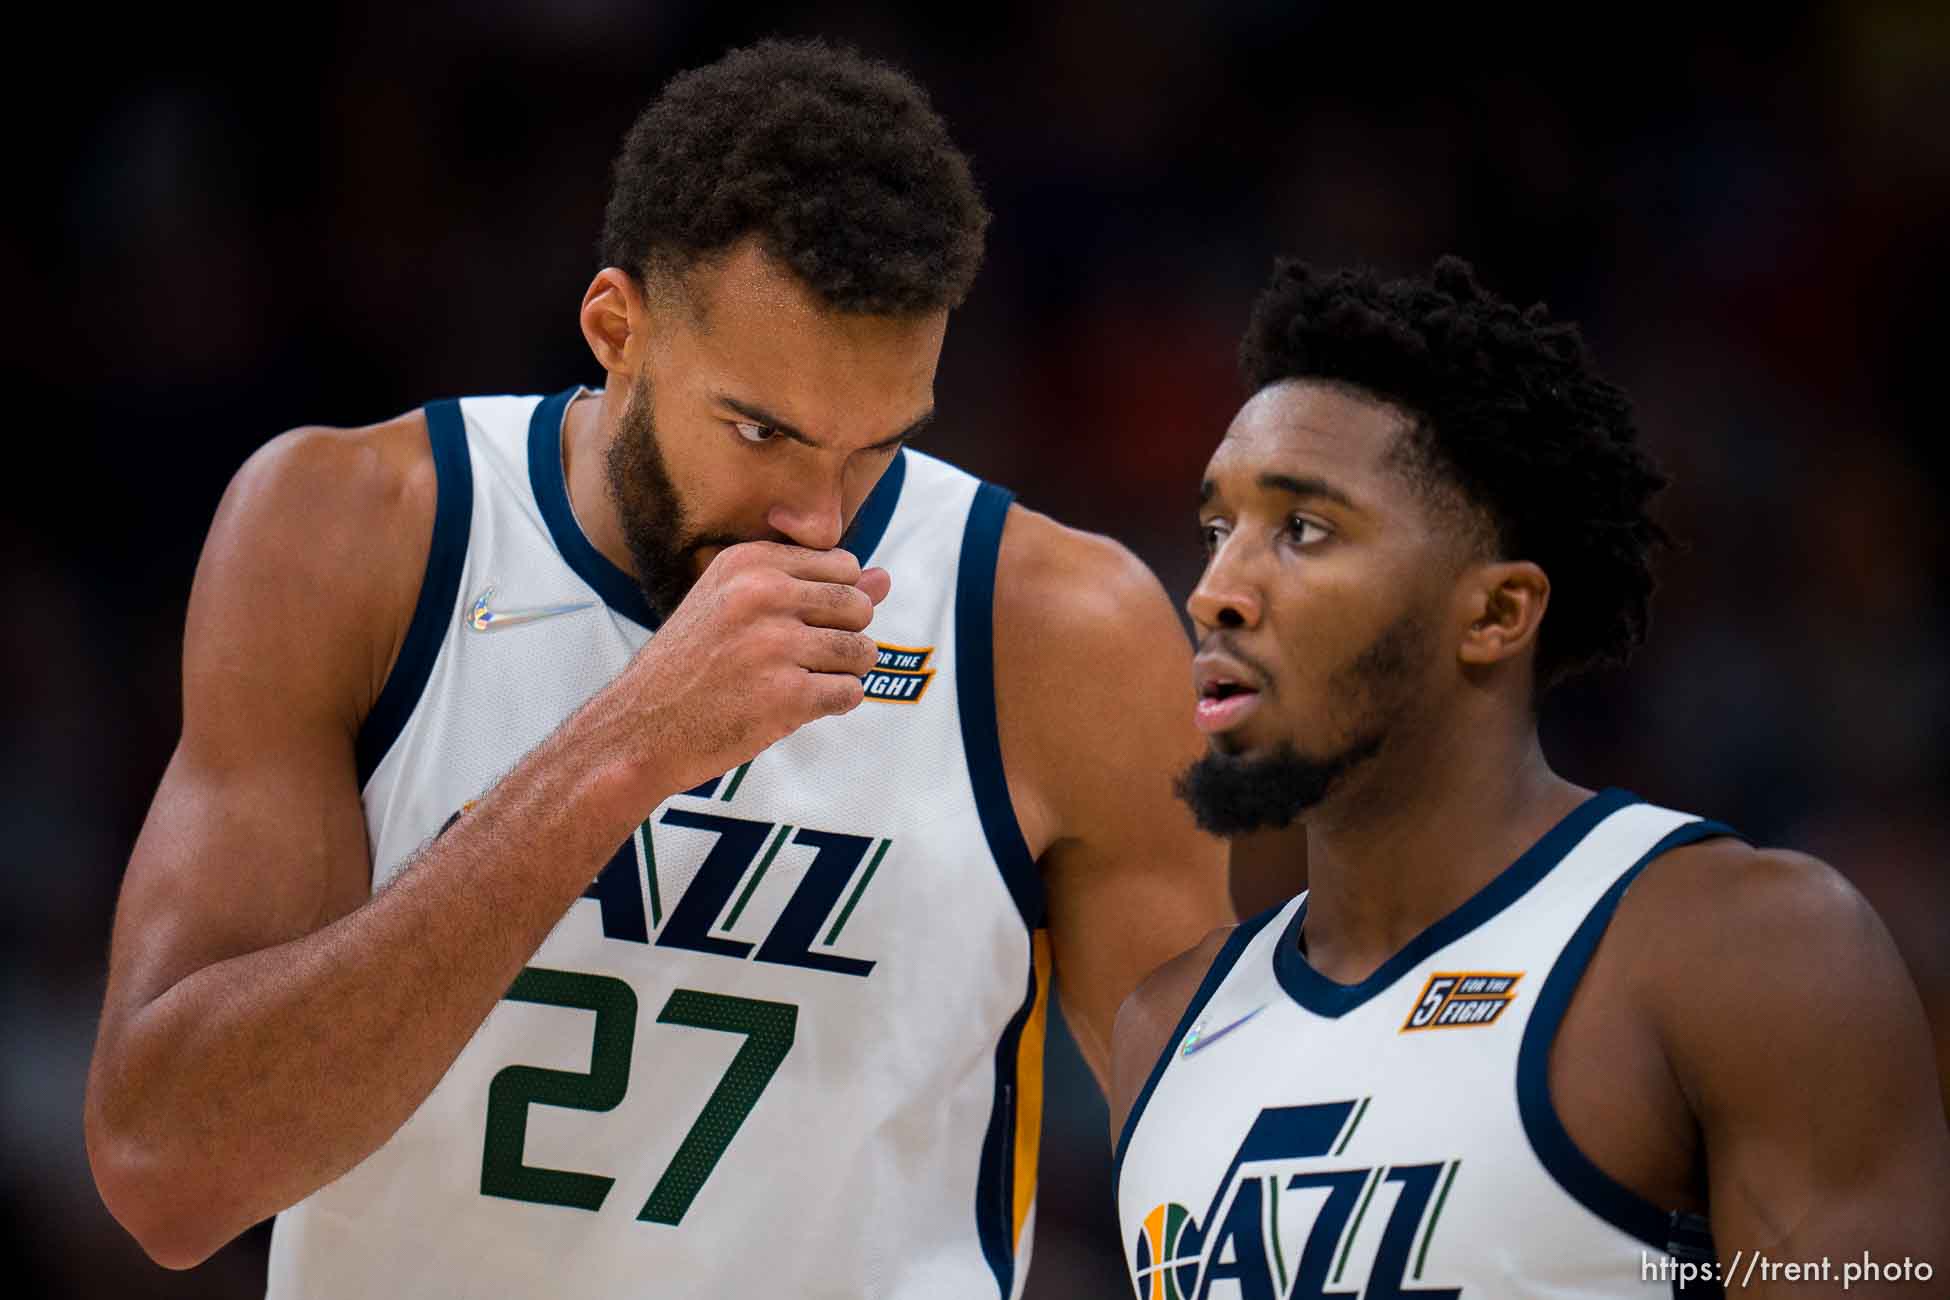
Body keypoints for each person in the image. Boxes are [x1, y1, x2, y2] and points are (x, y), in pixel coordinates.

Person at [83, 40, 1230, 1299]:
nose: (817, 521)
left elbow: (1222, 1181)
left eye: (876, 447)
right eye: (762, 430)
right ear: (616, 326)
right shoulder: (354, 535)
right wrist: (626, 749)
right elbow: (166, 1172)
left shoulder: (1060, 630)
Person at [1110, 258, 1950, 1298]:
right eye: (1215, 530)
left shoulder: (1748, 951)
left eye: (1304, 530)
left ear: (1498, 613)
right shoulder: (1164, 1027)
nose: (1216, 591)